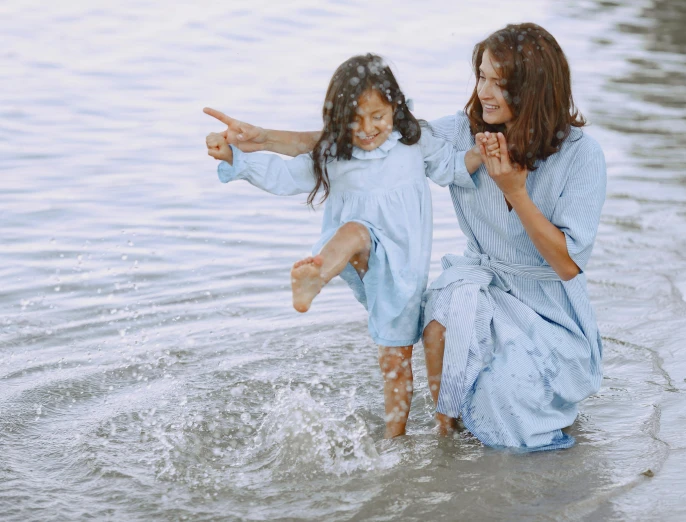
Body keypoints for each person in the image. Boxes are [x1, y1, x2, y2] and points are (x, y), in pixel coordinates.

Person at [206, 23, 607, 451]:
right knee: (437, 328)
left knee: (508, 402)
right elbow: (367, 138)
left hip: (547, 304)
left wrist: (515, 192)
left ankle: (513, 415)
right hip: (478, 280)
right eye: (482, 76)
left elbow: (566, 265)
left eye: (500, 83)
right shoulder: (460, 131)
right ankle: (445, 440)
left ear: (535, 90)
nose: (485, 92)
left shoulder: (581, 155)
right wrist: (262, 140)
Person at [204, 54, 484, 439]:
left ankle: (400, 439)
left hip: (403, 272)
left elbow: (451, 167)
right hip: (349, 255)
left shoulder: (414, 140)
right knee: (355, 231)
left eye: (377, 117)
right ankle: (314, 279)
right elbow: (288, 176)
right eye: (354, 120)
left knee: (396, 359)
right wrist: (237, 159)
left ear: (395, 108)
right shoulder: (336, 153)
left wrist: (482, 153)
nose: (367, 130)